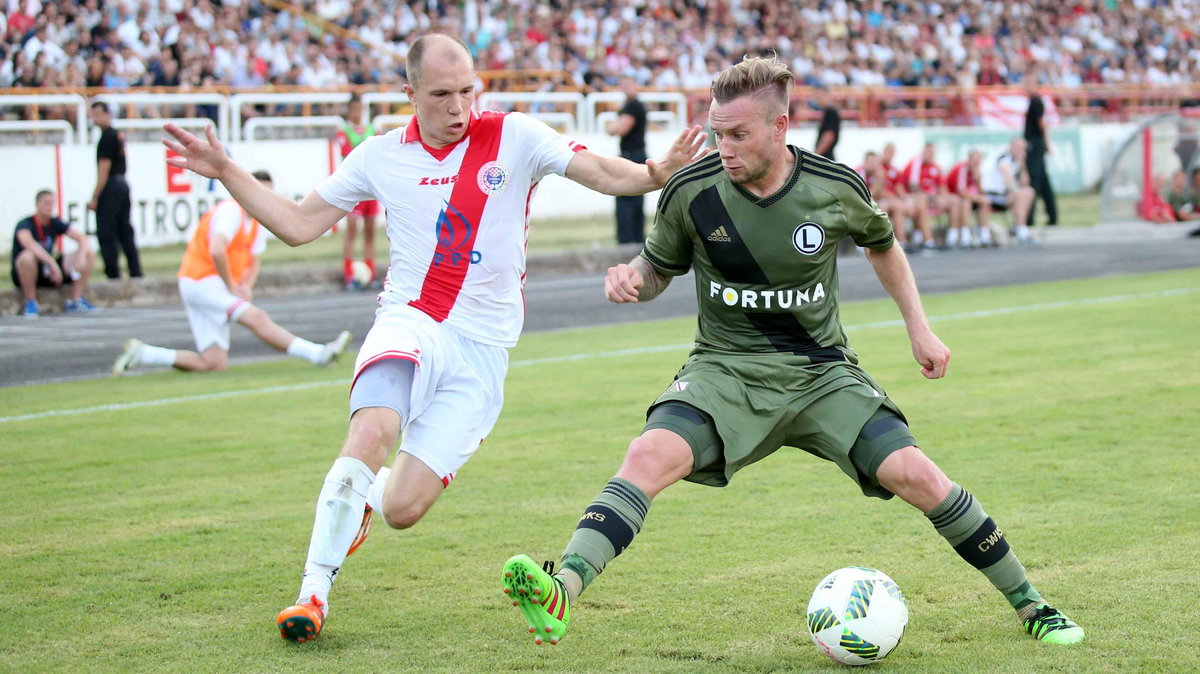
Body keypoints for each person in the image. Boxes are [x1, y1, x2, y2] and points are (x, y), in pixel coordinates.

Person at [502, 55, 1084, 649]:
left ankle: (1032, 605)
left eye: (738, 134)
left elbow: (883, 245)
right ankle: (562, 587)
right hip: (724, 371)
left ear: (779, 128)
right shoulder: (690, 189)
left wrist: (920, 329)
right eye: (717, 132)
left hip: (820, 375)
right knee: (646, 456)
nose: (722, 147)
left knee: (919, 475)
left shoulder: (833, 187)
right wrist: (632, 277)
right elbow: (658, 267)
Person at [160, 33, 708, 643]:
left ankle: (361, 502)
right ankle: (312, 593)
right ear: (410, 94)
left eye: (468, 91)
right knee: (372, 430)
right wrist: (228, 170)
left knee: (402, 509)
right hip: (411, 320)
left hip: (483, 351)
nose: (458, 107)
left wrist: (655, 172)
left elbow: (604, 172)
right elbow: (296, 224)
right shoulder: (379, 155)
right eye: (442, 94)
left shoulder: (514, 136)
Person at [111, 170, 353, 375]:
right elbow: (217, 250)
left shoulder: (258, 220)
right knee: (255, 318)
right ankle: (318, 354)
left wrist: (246, 285)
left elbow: (255, 260)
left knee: (213, 362)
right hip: (201, 281)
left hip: (210, 284)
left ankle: (144, 354)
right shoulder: (231, 212)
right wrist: (232, 287)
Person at [10, 189, 98, 318]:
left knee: (88, 252)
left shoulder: (55, 222)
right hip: (31, 271)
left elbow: (82, 238)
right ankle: (31, 302)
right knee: (27, 257)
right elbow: (29, 244)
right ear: (37, 204)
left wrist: (80, 258)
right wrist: (51, 262)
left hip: (50, 272)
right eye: (46, 203)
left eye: (52, 203)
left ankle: (75, 300)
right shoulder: (25, 224)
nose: (49, 206)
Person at [88, 100, 143, 280]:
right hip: (122, 184)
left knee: (106, 231)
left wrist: (95, 195)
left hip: (112, 185)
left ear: (107, 114)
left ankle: (112, 273)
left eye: (97, 114)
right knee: (124, 228)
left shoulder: (107, 137)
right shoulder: (117, 135)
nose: (94, 119)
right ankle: (135, 270)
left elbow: (104, 168)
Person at [335, 94, 382, 290]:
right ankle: (349, 275)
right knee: (352, 231)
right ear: (349, 111)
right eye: (354, 109)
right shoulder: (343, 132)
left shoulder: (373, 130)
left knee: (371, 232)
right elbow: (348, 155)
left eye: (360, 109)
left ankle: (369, 274)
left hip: (371, 189)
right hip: (354, 190)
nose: (357, 113)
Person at [606, 76, 648, 244]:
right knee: (634, 197)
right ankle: (634, 238)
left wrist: (612, 125)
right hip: (634, 154)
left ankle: (628, 238)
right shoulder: (629, 106)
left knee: (626, 197)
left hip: (632, 155)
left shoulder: (633, 106)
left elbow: (619, 128)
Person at [902, 142, 960, 250]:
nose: (930, 155)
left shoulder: (935, 167)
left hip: (933, 197)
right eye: (928, 152)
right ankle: (928, 240)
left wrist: (943, 197)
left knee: (954, 201)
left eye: (932, 152)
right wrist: (929, 196)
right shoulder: (915, 164)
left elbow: (941, 186)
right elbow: (912, 185)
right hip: (917, 197)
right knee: (922, 200)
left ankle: (953, 238)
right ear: (923, 152)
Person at [980, 138, 1036, 244]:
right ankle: (1021, 230)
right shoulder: (1004, 158)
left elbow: (1025, 184)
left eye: (1023, 149)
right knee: (1020, 194)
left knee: (1029, 192)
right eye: (1018, 148)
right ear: (1011, 147)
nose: (1021, 151)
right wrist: (1016, 192)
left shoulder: (1017, 162)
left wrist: (1022, 165)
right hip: (991, 195)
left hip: (1004, 196)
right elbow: (1008, 180)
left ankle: (1018, 226)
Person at [1023, 73, 1057, 228]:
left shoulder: (1036, 102)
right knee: (1043, 183)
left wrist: (1046, 143)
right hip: (1037, 144)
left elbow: (1042, 124)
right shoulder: (1033, 101)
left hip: (1035, 145)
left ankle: (1029, 218)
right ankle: (1052, 216)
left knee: (1034, 181)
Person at [946, 150, 995, 248]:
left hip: (968, 198)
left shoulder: (977, 171)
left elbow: (981, 192)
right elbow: (961, 192)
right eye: (975, 160)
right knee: (966, 203)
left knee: (984, 203)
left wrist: (979, 180)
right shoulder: (962, 169)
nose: (977, 162)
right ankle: (965, 235)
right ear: (969, 159)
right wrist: (978, 198)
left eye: (979, 160)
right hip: (954, 197)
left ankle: (985, 235)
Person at [813, 86, 840, 161]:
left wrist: (817, 154)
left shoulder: (830, 112)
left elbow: (829, 135)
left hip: (825, 157)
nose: (817, 99)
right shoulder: (827, 111)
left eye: (819, 96)